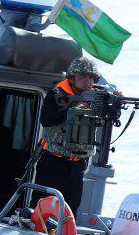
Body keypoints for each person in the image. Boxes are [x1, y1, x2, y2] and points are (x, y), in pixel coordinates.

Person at [35, 55, 118, 213]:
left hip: (78, 165)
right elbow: (46, 120)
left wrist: (115, 104)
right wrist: (73, 108)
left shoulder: (98, 98)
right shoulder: (56, 94)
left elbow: (110, 118)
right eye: (83, 77)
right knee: (43, 206)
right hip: (53, 161)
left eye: (91, 78)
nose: (88, 81)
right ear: (72, 77)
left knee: (71, 209)